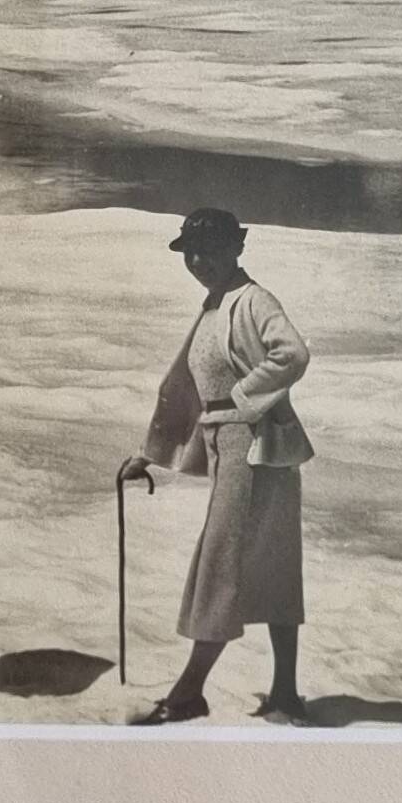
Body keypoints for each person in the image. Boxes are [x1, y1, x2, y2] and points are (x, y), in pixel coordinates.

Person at [120, 207, 312, 723]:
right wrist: (149, 454)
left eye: (211, 250)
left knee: (222, 565)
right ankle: (285, 694)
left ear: (236, 249)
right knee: (267, 567)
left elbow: (292, 354)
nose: (199, 261)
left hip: (256, 447)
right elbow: (187, 388)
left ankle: (188, 693)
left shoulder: (253, 300)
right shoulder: (216, 304)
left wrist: (242, 401)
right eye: (191, 253)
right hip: (236, 446)